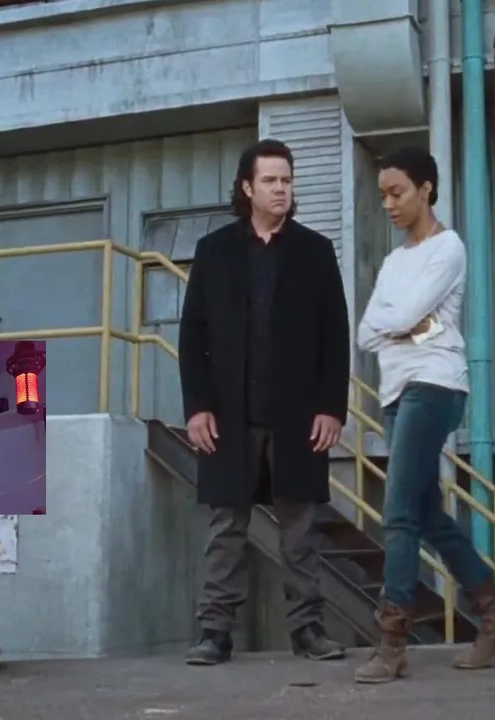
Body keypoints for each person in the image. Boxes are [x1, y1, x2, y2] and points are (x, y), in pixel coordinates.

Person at [177, 138, 351, 666]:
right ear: (248, 188)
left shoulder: (315, 251)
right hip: (229, 416)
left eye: (287, 180)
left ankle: (308, 631)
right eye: (270, 181)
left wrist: (332, 407)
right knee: (227, 528)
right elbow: (193, 336)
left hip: (298, 416)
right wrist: (197, 406)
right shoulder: (215, 251)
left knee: (300, 531)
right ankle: (215, 632)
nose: (281, 189)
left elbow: (335, 336)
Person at [352, 146, 495, 684]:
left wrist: (404, 323)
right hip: (396, 391)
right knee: (427, 517)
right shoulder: (392, 262)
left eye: (397, 192)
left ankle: (391, 642)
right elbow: (366, 332)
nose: (388, 204)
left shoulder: (448, 248)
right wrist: (409, 326)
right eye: (383, 195)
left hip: (435, 384)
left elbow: (399, 315)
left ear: (426, 189)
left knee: (398, 511)